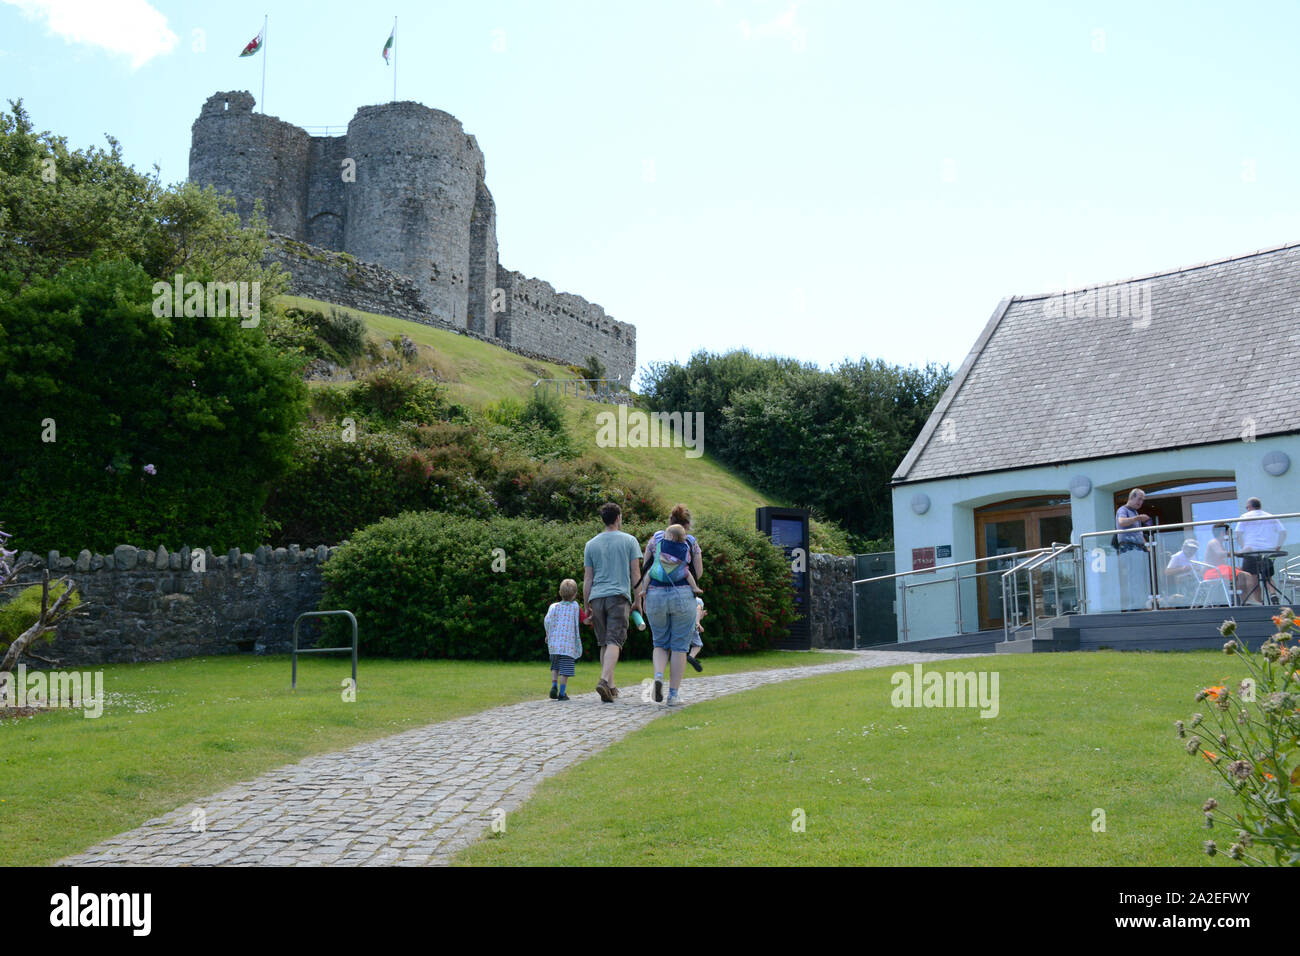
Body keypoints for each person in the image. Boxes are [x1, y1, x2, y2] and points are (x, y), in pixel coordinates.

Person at [583, 502, 642, 703]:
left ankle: (611, 686)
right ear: (618, 518)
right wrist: (638, 600)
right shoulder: (630, 540)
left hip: (596, 598)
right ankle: (603, 681)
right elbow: (635, 574)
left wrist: (586, 605)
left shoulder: (590, 544)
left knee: (604, 643)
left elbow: (588, 579)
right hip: (618, 597)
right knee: (615, 641)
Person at [634, 519, 698, 706]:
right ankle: (673, 696)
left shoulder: (656, 539)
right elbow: (699, 572)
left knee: (660, 643)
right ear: (686, 526)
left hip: (655, 595)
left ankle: (658, 676)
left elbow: (646, 567)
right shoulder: (691, 542)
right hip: (682, 595)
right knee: (679, 647)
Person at [1235, 497, 1287, 603]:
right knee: (1268, 576)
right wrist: (1278, 546)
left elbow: (1238, 533)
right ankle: (1273, 594)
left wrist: (1243, 546)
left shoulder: (1245, 517)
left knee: (1253, 578)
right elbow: (1283, 532)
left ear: (1249, 507)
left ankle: (1259, 602)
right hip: (1267, 552)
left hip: (1251, 551)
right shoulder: (1270, 516)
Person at [1115, 488, 1154, 610]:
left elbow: (1138, 533)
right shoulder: (1123, 509)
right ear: (1131, 497)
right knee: (1133, 577)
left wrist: (1146, 545)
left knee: (1139, 577)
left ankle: (1139, 604)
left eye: (1142, 500)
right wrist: (1138, 519)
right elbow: (1121, 522)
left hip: (1138, 548)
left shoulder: (1135, 512)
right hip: (1129, 547)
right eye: (1139, 499)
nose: (1141, 502)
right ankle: (1134, 606)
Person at [544, 579, 582, 701]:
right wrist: (591, 618)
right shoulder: (575, 607)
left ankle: (554, 685)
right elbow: (584, 619)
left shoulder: (553, 607)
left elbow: (547, 621)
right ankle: (562, 693)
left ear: (560, 592)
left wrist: (547, 635)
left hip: (554, 645)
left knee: (555, 666)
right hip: (567, 646)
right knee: (565, 670)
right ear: (575, 594)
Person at [1163, 539, 1201, 604]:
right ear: (1184, 547)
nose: (1192, 550)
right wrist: (1183, 569)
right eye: (1190, 548)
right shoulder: (1177, 556)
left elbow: (1196, 568)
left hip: (1192, 581)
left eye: (1194, 549)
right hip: (1180, 584)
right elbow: (1167, 572)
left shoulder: (1193, 556)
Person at [686, 596, 707, 672]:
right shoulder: (699, 600)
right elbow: (698, 608)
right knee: (698, 645)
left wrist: (701, 614)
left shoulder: (681, 599)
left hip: (679, 626)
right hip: (691, 625)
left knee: (679, 648)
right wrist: (698, 623)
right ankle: (691, 657)